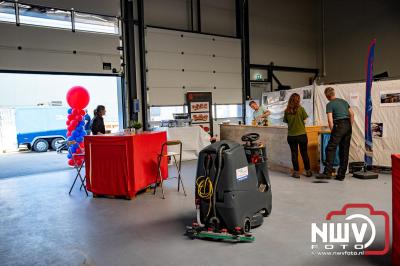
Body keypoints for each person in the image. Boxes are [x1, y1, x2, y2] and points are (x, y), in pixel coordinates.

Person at [318, 87, 354, 181]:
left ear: (327, 96)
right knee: (344, 149)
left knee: (330, 148)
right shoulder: (343, 101)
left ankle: (327, 173)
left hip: (339, 125)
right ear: (334, 93)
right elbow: (352, 114)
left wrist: (332, 131)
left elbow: (330, 120)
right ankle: (341, 175)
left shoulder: (330, 104)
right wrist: (349, 126)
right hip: (348, 125)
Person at [283, 93, 312, 178]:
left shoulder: (286, 111)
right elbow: (305, 119)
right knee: (304, 153)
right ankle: (308, 171)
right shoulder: (301, 109)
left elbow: (287, 122)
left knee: (294, 154)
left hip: (291, 136)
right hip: (302, 135)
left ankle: (296, 172)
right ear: (298, 100)